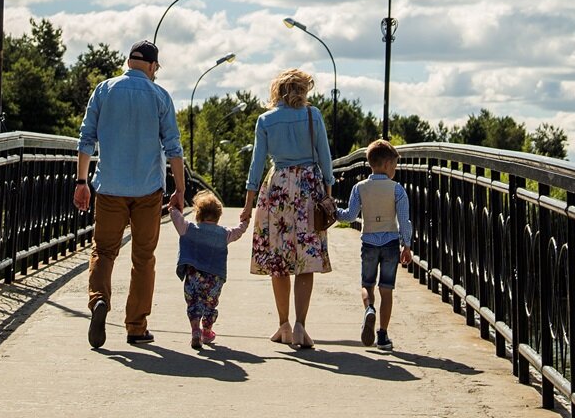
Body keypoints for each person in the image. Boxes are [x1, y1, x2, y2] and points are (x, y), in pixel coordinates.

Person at [73, 39, 185, 349]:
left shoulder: (104, 90)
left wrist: (82, 181)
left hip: (109, 187)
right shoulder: (160, 95)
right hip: (148, 190)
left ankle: (98, 301)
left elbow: (86, 139)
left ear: (128, 62)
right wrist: (180, 188)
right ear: (152, 66)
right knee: (143, 257)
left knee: (104, 251)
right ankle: (136, 326)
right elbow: (173, 147)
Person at [240, 68, 334, 349]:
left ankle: (283, 324)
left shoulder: (266, 120)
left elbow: (256, 165)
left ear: (277, 91)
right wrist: (328, 193)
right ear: (302, 90)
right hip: (308, 187)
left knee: (279, 260)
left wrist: (248, 204)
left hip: (278, 187)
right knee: (306, 258)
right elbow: (326, 158)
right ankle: (301, 325)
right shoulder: (312, 115)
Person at [335, 139, 412, 352]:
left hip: (368, 240)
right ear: (387, 164)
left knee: (367, 285)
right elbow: (404, 220)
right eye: (395, 165)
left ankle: (369, 309)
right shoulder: (397, 190)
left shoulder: (360, 188)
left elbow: (349, 216)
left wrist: (333, 210)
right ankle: (383, 336)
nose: (395, 169)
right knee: (386, 290)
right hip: (390, 243)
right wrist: (407, 245)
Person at [169, 190, 250, 349]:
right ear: (218, 215)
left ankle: (195, 331)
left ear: (198, 213)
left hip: (193, 276)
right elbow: (238, 232)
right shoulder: (223, 233)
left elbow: (176, 218)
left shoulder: (189, 228)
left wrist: (173, 207)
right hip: (214, 279)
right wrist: (245, 221)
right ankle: (207, 331)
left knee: (193, 303)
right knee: (210, 305)